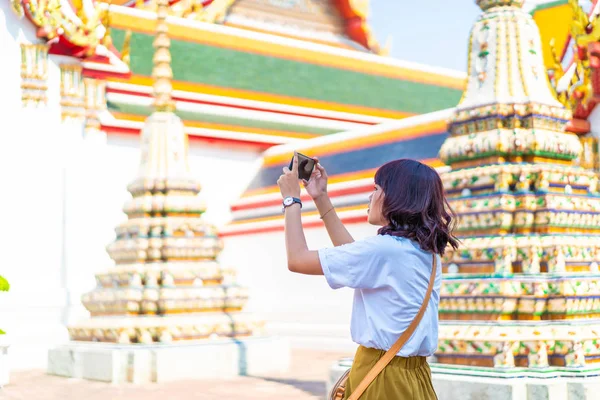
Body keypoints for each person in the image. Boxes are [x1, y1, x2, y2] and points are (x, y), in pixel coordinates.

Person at [277, 154, 458, 399]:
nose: (371, 196)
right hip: (415, 375)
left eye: (376, 188)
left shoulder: (386, 250)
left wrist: (291, 199)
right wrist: (320, 198)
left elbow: (297, 259)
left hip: (382, 374)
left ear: (397, 197)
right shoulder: (424, 252)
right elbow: (355, 258)